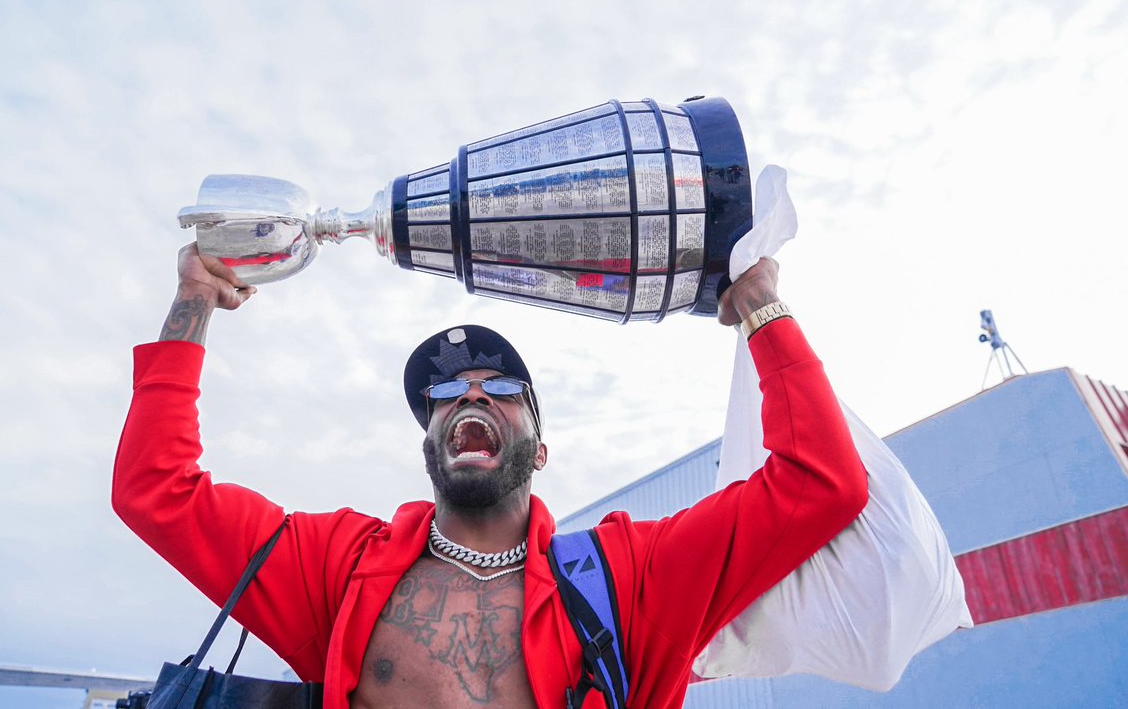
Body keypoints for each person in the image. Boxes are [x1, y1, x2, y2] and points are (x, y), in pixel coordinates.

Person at [113, 244, 868, 709]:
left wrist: (763, 309)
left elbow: (821, 480)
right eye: (444, 393)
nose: (468, 394)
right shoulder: (337, 567)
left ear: (539, 449)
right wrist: (194, 301)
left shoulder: (630, 574)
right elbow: (157, 488)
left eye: (500, 387)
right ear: (431, 445)